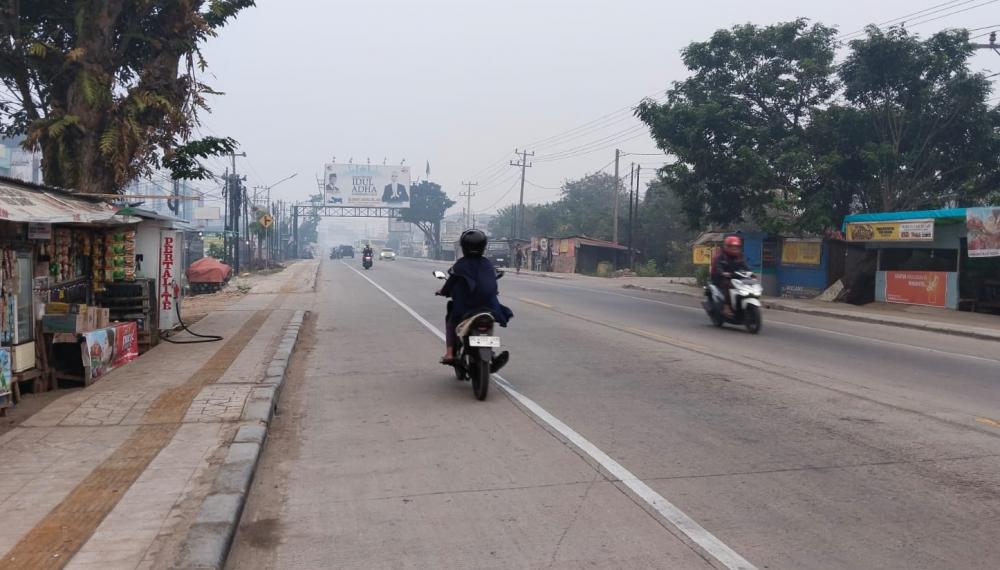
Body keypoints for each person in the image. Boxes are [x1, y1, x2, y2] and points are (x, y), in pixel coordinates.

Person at [437, 229, 513, 370]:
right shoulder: (487, 264)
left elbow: (449, 285)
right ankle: (491, 354)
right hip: (489, 306)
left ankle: (449, 353)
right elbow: (493, 283)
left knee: (451, 320)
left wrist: (442, 291)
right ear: (483, 246)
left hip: (465, 307)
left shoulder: (460, 265)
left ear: (464, 246)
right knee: (490, 320)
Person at [710, 235, 750, 317]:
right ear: (726, 246)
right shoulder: (720, 256)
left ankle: (743, 304)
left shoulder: (739, 256)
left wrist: (750, 273)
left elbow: (745, 265)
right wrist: (722, 273)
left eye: (736, 247)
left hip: (735, 276)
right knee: (728, 285)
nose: (734, 249)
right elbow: (717, 266)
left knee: (747, 284)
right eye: (731, 247)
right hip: (719, 277)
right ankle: (726, 306)